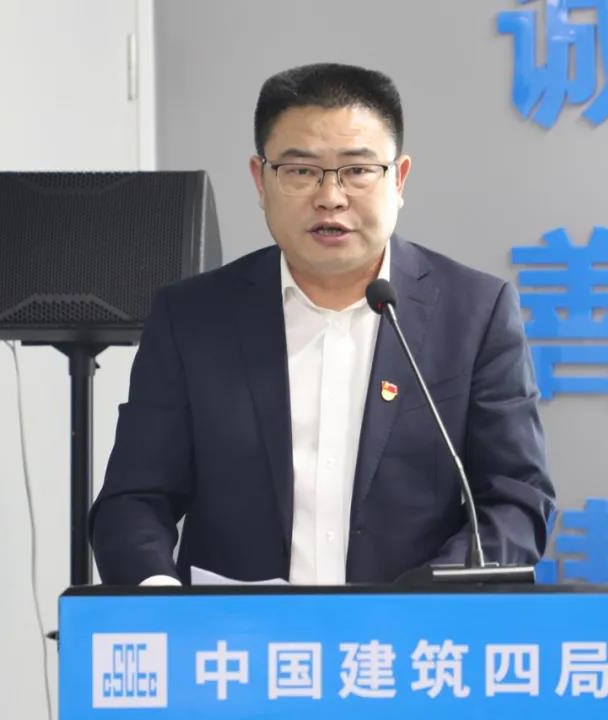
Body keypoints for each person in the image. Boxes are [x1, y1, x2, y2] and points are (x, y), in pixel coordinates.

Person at [89, 62, 554, 585]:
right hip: (237, 633)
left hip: (413, 631)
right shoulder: (193, 318)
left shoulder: (474, 313)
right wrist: (161, 600)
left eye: (357, 170)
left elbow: (516, 500)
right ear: (260, 180)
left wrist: (427, 599)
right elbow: (134, 500)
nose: (330, 196)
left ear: (398, 178)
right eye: (300, 170)